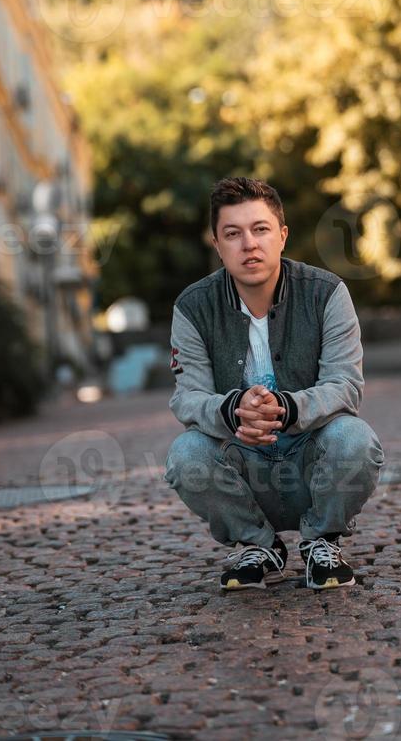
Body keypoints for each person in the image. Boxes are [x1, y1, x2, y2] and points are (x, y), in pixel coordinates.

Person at [164, 177, 385, 591]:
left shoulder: (327, 294)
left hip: (310, 459)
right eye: (233, 233)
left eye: (260, 229)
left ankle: (322, 541)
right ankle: (258, 546)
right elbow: (188, 398)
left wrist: (287, 407)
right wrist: (233, 409)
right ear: (217, 244)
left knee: (356, 439)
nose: (249, 243)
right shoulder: (192, 307)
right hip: (243, 462)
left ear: (282, 236)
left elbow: (346, 386)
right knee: (185, 454)